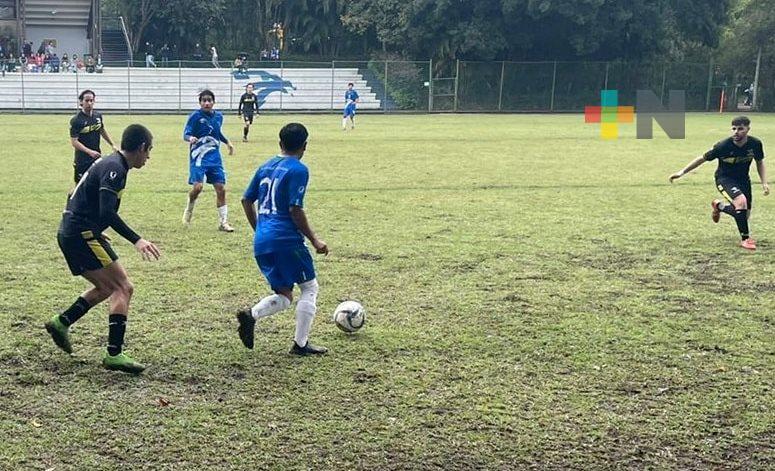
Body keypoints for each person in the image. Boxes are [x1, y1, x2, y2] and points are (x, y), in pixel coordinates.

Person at [45, 124, 161, 374]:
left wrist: (93, 227)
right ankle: (114, 354)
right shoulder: (115, 168)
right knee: (123, 287)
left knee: (107, 287)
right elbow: (107, 212)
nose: (148, 157)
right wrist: (137, 240)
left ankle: (61, 322)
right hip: (80, 234)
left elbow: (74, 194)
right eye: (149, 150)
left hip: (74, 232)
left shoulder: (111, 162)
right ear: (141, 147)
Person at [236, 123, 329, 356]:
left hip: (263, 241)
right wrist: (315, 240)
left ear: (280, 143)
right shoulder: (298, 169)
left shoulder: (265, 166)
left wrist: (259, 229)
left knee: (285, 296)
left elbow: (246, 200)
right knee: (309, 287)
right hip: (286, 240)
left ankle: (252, 315)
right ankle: (300, 345)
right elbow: (295, 209)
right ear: (304, 146)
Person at [669, 116, 769, 250]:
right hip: (724, 179)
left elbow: (759, 162)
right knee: (741, 202)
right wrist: (681, 172)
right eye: (734, 129)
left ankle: (719, 206)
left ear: (748, 129)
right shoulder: (723, 146)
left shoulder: (755, 144)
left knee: (744, 216)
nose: (736, 132)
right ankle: (745, 239)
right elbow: (702, 158)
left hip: (743, 180)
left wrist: (764, 182)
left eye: (740, 129)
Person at [182, 89, 236, 231]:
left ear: (213, 102)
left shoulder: (219, 116)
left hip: (214, 158)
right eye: (204, 101)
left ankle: (223, 222)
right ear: (200, 103)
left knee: (221, 189)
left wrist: (227, 142)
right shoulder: (195, 116)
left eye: (209, 100)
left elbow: (217, 132)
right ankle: (189, 207)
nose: (207, 103)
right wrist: (190, 138)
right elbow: (186, 133)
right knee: (198, 188)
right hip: (198, 157)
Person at [70, 90, 118, 183]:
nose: (89, 103)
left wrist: (112, 145)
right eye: (87, 101)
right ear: (81, 102)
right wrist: (90, 152)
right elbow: (74, 142)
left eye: (91, 100)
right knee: (80, 185)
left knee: (96, 183)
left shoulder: (97, 116)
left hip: (96, 157)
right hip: (82, 160)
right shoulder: (76, 120)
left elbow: (102, 130)